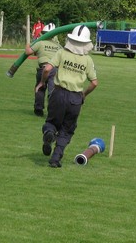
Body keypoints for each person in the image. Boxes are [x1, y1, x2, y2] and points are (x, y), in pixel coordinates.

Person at [37, 24, 98, 168]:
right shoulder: (88, 60)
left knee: (51, 122)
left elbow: (47, 69)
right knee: (67, 129)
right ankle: (55, 159)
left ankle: (49, 133)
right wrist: (84, 94)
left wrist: (42, 82)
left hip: (58, 93)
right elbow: (94, 83)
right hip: (75, 98)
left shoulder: (62, 53)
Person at [25, 22, 61, 116]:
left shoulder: (40, 43)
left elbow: (28, 52)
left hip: (43, 68)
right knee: (52, 91)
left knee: (40, 88)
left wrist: (28, 44)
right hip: (54, 70)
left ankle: (38, 109)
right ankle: (52, 111)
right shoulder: (58, 46)